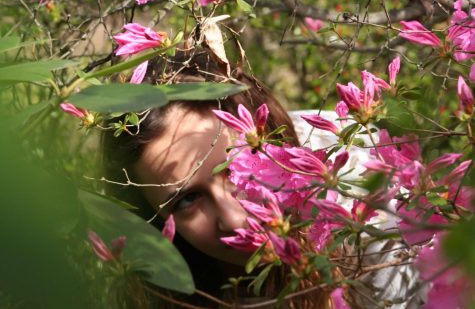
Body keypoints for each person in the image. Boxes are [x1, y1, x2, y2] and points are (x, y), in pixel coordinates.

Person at [102, 51, 420, 308]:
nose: (235, 219)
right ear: (154, 222)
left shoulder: (362, 194)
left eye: (236, 167)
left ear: (263, 134)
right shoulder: (162, 293)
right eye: (187, 199)